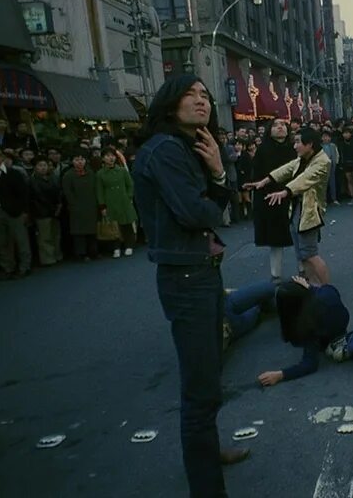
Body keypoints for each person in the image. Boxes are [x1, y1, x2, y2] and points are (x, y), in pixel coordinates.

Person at [132, 74, 247, 498]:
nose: (201, 101)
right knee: (199, 391)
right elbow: (200, 214)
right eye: (190, 94)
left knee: (209, 374)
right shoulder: (164, 149)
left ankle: (210, 451)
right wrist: (218, 175)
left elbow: (217, 206)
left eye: (205, 95)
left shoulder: (186, 146)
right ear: (169, 102)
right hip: (186, 277)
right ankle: (207, 488)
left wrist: (217, 172)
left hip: (201, 270)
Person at [247, 127, 331, 285]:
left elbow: (306, 179)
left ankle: (327, 291)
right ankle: (313, 287)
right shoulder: (303, 158)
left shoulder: (322, 161)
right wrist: (264, 181)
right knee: (302, 255)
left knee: (310, 254)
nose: (295, 146)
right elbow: (285, 170)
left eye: (298, 142)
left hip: (310, 212)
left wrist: (285, 192)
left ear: (310, 144)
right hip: (298, 209)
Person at [257, 276, 349, 386]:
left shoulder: (307, 326)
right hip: (339, 324)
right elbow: (328, 290)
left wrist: (280, 375)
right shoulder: (326, 294)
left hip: (325, 333)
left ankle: (260, 307)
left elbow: (309, 364)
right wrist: (309, 288)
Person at [253, 118, 296, 283]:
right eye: (276, 125)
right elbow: (257, 176)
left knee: (300, 237)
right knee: (275, 240)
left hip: (293, 195)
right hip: (270, 199)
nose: (280, 127)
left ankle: (303, 271)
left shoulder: (294, 148)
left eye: (283, 125)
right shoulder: (263, 150)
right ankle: (275, 275)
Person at [96, 147, 138, 258]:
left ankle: (129, 246)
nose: (111, 158)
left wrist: (129, 196)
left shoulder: (122, 170)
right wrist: (102, 206)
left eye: (112, 156)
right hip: (110, 201)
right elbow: (99, 191)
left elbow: (130, 185)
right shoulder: (100, 174)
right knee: (114, 226)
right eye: (107, 156)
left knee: (127, 224)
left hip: (124, 200)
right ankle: (116, 247)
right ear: (103, 158)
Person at [0, 147, 31, 279]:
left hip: (14, 212)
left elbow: (24, 194)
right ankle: (8, 267)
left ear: (1, 158)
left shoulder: (14, 174)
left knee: (21, 240)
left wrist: (24, 211)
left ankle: (25, 266)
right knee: (2, 242)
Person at [62, 150, 99, 261]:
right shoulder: (68, 175)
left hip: (91, 205)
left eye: (82, 159)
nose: (79, 162)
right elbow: (67, 192)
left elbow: (95, 188)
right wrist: (73, 204)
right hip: (76, 207)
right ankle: (81, 254)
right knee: (79, 233)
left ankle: (93, 252)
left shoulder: (91, 173)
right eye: (77, 160)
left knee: (92, 231)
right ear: (72, 161)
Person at [29, 156, 63, 266]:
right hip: (41, 211)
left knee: (56, 235)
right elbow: (35, 197)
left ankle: (57, 255)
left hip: (55, 210)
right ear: (35, 167)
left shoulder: (53, 178)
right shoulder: (32, 180)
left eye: (45, 165)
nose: (43, 168)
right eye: (40, 166)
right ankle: (48, 259)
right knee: (45, 237)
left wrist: (58, 206)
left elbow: (58, 192)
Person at [321, 130, 340, 205]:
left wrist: (336, 162)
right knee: (323, 184)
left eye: (327, 136)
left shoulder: (333, 145)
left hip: (332, 165)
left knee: (332, 183)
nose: (325, 138)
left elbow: (337, 154)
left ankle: (334, 199)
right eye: (324, 137)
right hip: (323, 165)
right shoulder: (320, 146)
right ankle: (323, 200)